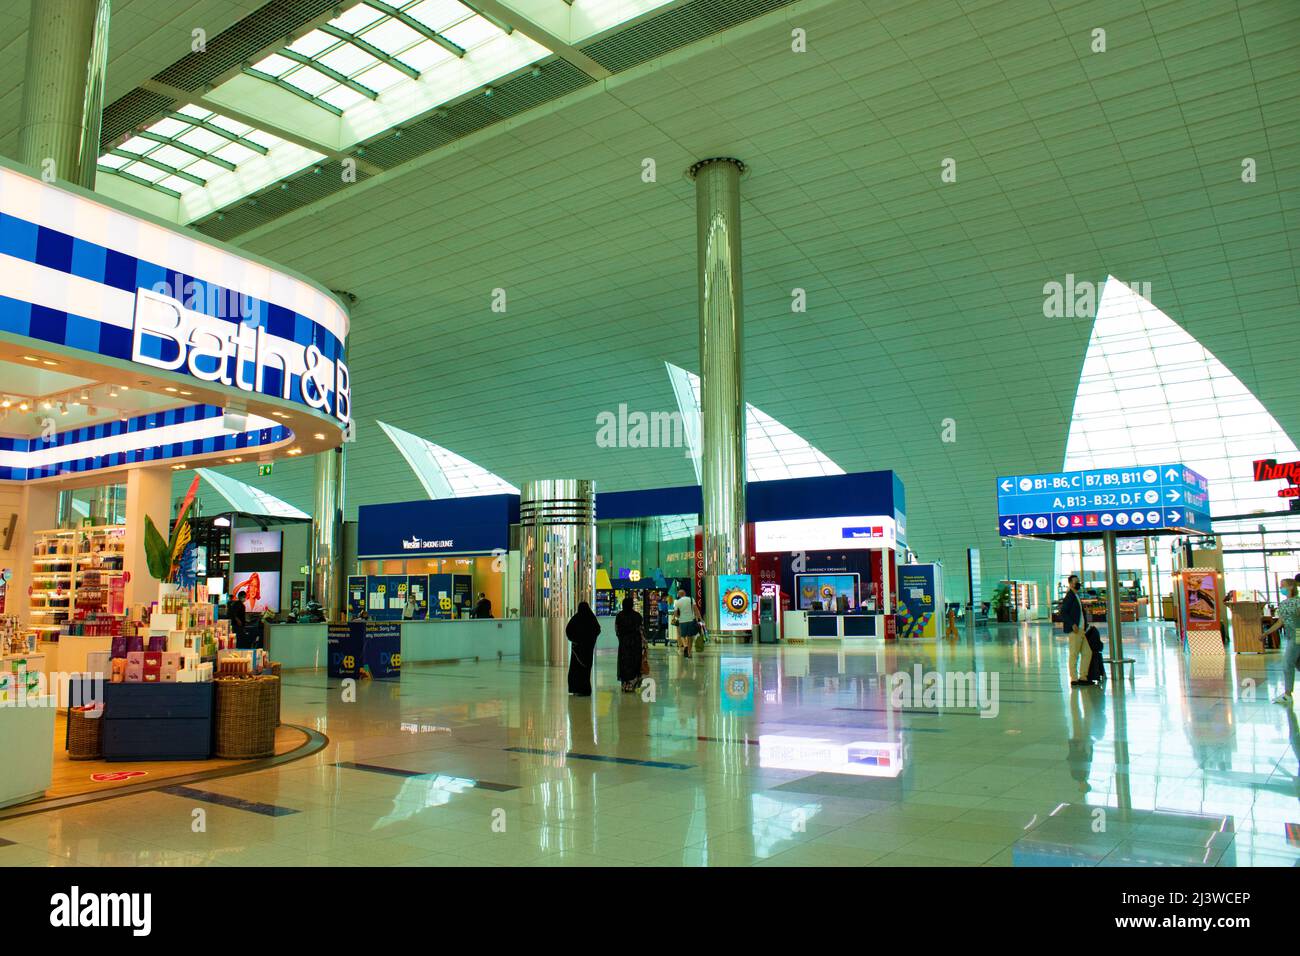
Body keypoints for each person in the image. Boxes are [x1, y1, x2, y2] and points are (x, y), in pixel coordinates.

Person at [1264, 577, 1300, 705]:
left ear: (1291, 587)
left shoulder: (1298, 602)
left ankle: (1287, 694)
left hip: (1297, 635)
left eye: (1283, 586)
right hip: (1291, 636)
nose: (1281, 588)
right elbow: (1280, 622)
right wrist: (1266, 633)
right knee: (1296, 664)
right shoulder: (1284, 603)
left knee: (1287, 663)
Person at [1059, 574, 1094, 687]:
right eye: (1075, 582)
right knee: (1074, 654)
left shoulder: (1076, 595)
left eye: (1078, 581)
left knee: (1087, 653)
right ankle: (1074, 679)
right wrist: (1072, 624)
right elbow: (1063, 612)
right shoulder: (1069, 596)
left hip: (1081, 630)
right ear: (1070, 583)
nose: (1077, 583)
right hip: (1075, 631)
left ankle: (1083, 677)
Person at [565, 601, 600, 696]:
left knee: (576, 670)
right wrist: (591, 641)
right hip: (588, 650)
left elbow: (568, 630)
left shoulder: (576, 618)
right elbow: (597, 629)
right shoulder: (591, 618)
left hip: (577, 650)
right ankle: (585, 690)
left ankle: (576, 688)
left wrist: (575, 640)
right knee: (585, 671)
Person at [615, 595, 645, 692]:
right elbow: (642, 630)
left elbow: (617, 630)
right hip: (636, 642)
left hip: (624, 642)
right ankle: (632, 684)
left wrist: (621, 639)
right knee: (634, 661)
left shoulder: (619, 615)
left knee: (624, 662)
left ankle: (625, 684)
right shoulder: (637, 616)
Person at [672, 588, 699, 659]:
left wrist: (678, 617)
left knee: (682, 635)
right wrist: (700, 618)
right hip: (691, 620)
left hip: (682, 621)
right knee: (690, 637)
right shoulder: (691, 599)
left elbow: (675, 613)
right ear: (685, 593)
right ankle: (689, 652)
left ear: (679, 595)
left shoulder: (677, 602)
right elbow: (696, 609)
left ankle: (685, 645)